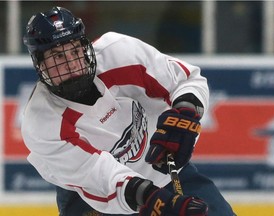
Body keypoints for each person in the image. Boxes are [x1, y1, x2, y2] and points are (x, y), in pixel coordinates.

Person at [22, 6, 236, 216]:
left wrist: (185, 115)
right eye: (58, 57)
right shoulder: (42, 122)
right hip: (93, 199)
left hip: (163, 172)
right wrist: (151, 198)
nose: (71, 64)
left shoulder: (118, 53)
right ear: (39, 64)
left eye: (75, 51)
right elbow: (99, 176)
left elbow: (185, 80)